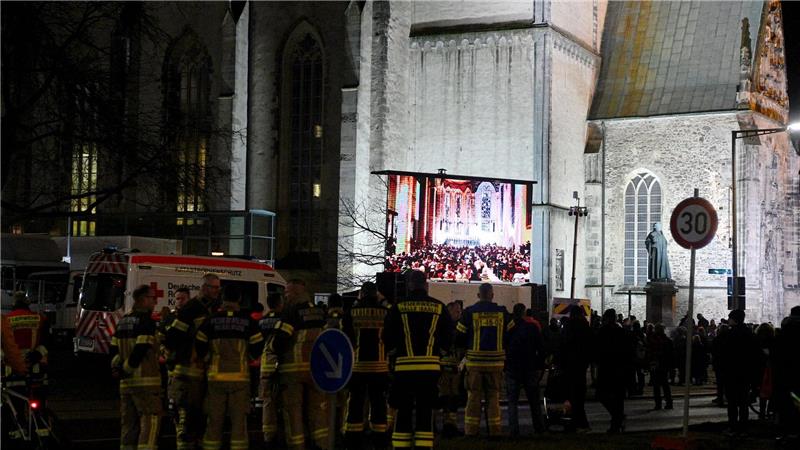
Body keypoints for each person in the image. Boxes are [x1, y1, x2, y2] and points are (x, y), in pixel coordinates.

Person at [384, 270, 452, 449]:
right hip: (429, 369)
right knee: (425, 411)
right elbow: (448, 335)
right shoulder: (439, 307)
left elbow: (387, 335)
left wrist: (394, 353)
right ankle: (424, 445)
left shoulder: (398, 307)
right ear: (426, 285)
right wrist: (440, 353)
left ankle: (400, 446)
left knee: (403, 410)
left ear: (409, 285)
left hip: (404, 368)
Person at [262, 279, 330, 450]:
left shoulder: (291, 312)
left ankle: (297, 445)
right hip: (317, 371)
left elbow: (279, 342)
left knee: (293, 412)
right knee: (317, 409)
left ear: (294, 293)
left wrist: (271, 347)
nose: (285, 297)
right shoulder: (320, 313)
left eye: (287, 293)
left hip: (293, 371)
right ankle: (319, 444)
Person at [196, 284, 263, 450]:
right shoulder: (248, 322)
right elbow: (258, 345)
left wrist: (207, 358)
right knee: (239, 422)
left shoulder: (210, 320)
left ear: (222, 299)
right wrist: (248, 358)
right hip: (240, 379)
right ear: (239, 299)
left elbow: (199, 343)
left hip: (215, 379)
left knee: (214, 421)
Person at [164, 273, 221, 449]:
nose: (217, 291)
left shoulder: (213, 307)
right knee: (187, 417)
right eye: (214, 287)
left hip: (205, 372)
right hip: (188, 371)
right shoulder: (191, 309)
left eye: (218, 287)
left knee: (201, 417)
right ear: (204, 288)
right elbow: (172, 337)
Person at [456, 283, 512, 437]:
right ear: (492, 295)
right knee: (493, 398)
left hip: (475, 363)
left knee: (473, 397)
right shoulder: (502, 312)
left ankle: (471, 431)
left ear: (478, 295)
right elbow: (511, 334)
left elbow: (459, 337)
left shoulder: (469, 312)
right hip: (496, 364)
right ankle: (495, 430)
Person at [110, 284, 162, 450]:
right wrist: (128, 368)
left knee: (128, 425)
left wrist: (119, 368)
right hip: (145, 383)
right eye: (152, 298)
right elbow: (141, 348)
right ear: (143, 299)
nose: (155, 302)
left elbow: (113, 348)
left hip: (126, 385)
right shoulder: (146, 322)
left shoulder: (123, 322)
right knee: (150, 421)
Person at [341, 282, 390, 449]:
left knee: (355, 403)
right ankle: (380, 439)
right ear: (376, 294)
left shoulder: (351, 312)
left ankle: (353, 439)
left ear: (361, 294)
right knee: (379, 404)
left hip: (357, 367)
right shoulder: (385, 312)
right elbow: (390, 337)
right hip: (379, 367)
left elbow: (345, 338)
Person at [505, 303, 546, 437]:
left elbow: (504, 345)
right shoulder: (532, 327)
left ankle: (514, 430)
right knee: (534, 400)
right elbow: (541, 348)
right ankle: (539, 428)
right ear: (524, 313)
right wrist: (540, 365)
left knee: (512, 402)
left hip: (513, 367)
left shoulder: (509, 328)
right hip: (529, 367)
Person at [719, 309, 760, 434]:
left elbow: (725, 354)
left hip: (732, 373)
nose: (728, 320)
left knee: (732, 403)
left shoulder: (730, 334)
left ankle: (733, 426)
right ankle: (743, 427)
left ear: (734, 319)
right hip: (745, 373)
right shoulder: (749, 333)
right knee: (743, 402)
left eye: (730, 318)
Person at [556, 305, 592, 432]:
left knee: (571, 395)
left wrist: (560, 362)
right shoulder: (585, 327)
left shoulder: (569, 326)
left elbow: (563, 345)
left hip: (570, 365)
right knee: (579, 395)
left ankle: (575, 422)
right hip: (581, 365)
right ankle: (579, 422)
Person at [595, 309, 631, 433]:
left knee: (602, 394)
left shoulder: (603, 331)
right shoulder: (621, 331)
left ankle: (617, 419)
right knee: (618, 397)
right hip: (619, 367)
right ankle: (617, 420)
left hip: (607, 367)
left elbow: (598, 348)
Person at [5, 291, 50, 388]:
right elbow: (47, 342)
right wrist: (37, 355)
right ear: (27, 303)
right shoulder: (40, 318)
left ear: (13, 304)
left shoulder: (5, 320)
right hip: (35, 365)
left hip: (11, 368)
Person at [259, 292, 284, 446]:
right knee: (286, 401)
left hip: (265, 366)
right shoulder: (284, 320)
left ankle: (268, 436)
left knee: (268, 402)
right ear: (280, 303)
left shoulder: (261, 321)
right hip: (282, 365)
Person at [438, 301, 463, 438]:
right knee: (445, 397)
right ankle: (446, 426)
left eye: (460, 311)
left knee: (453, 398)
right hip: (444, 368)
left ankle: (450, 425)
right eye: (457, 311)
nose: (459, 314)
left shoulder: (457, 327)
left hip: (454, 367)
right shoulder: (444, 327)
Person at [647, 323, 673, 410]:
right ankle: (669, 402)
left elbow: (650, 353)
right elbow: (670, 354)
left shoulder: (652, 340)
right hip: (664, 365)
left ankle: (658, 404)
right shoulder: (667, 340)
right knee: (665, 385)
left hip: (656, 365)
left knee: (656, 386)